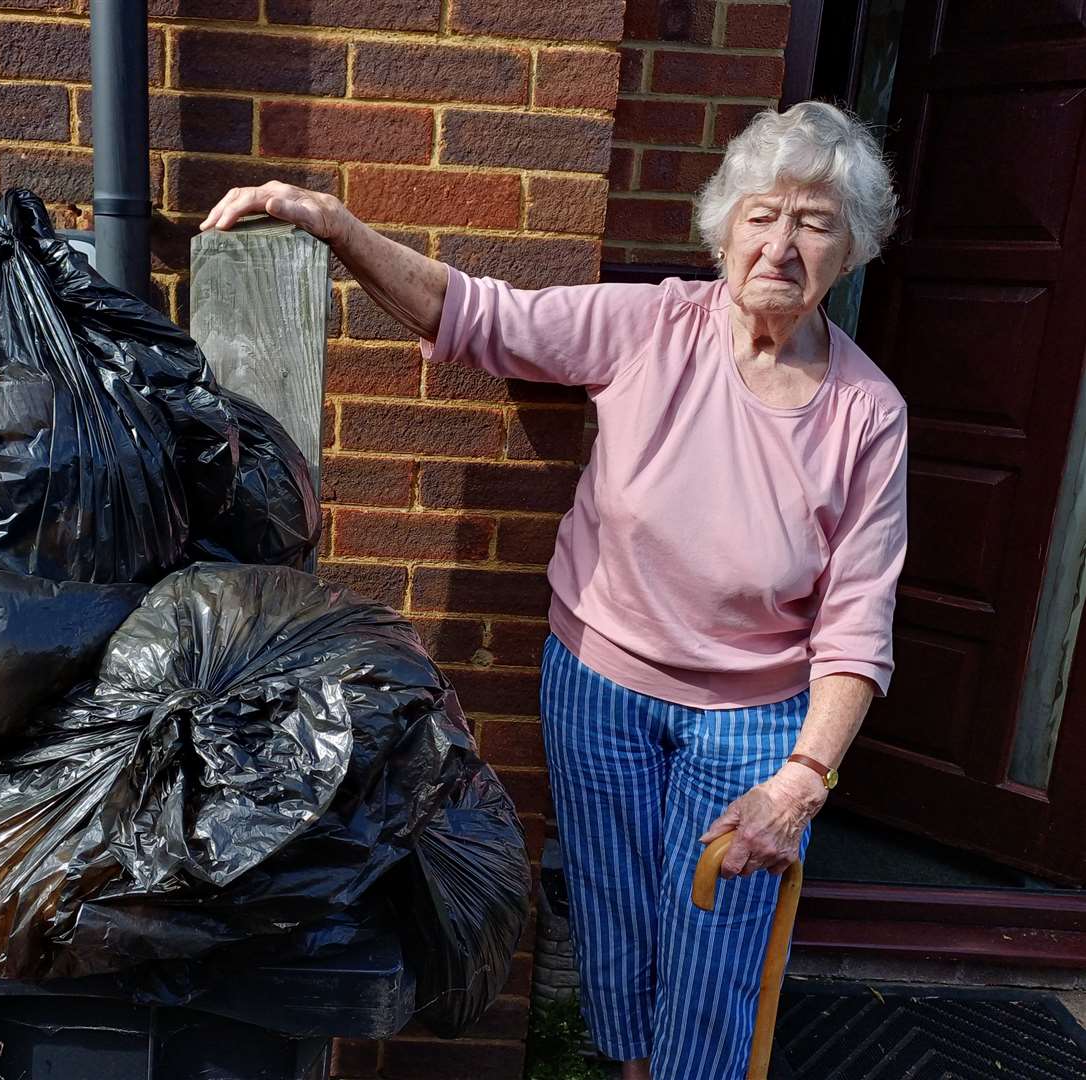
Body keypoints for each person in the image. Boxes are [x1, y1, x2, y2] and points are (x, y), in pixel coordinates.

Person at [200, 100, 907, 1079]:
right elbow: (474, 315)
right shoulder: (648, 326)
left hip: (752, 724)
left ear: (852, 247)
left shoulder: (867, 414)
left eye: (813, 220)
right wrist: (335, 224)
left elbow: (856, 625)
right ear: (723, 226)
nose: (780, 243)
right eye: (762, 213)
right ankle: (627, 1067)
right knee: (613, 928)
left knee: (714, 949)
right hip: (599, 693)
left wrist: (803, 778)